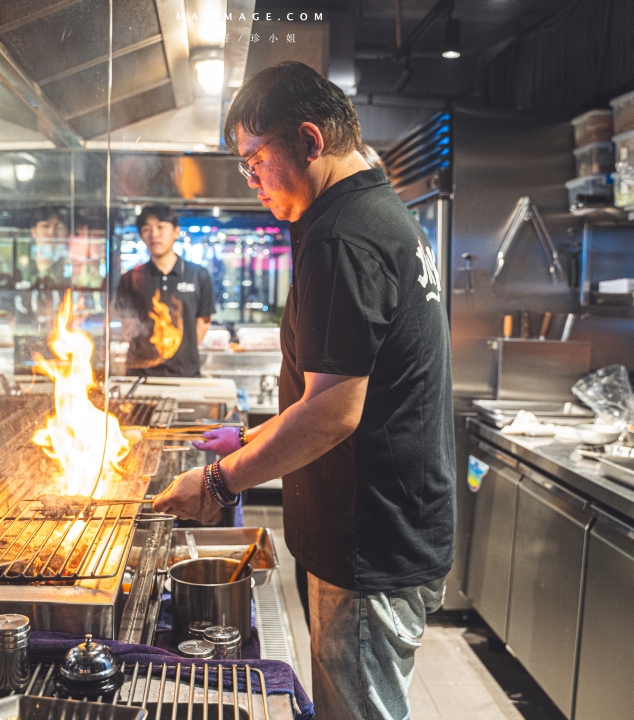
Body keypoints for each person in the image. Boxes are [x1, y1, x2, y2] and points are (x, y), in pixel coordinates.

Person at [153, 61, 455, 720]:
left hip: (368, 540)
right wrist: (253, 437)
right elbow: (351, 387)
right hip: (383, 528)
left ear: (311, 141)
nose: (252, 178)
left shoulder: (343, 236)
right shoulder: (378, 215)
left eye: (256, 158)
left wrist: (217, 482)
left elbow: (334, 413)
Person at [115, 205, 215, 377]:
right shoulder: (130, 278)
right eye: (146, 229)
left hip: (185, 373)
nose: (154, 234)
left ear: (176, 231)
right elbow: (127, 325)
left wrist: (179, 349)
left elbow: (203, 322)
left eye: (161, 227)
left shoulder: (198, 274)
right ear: (141, 236)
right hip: (141, 373)